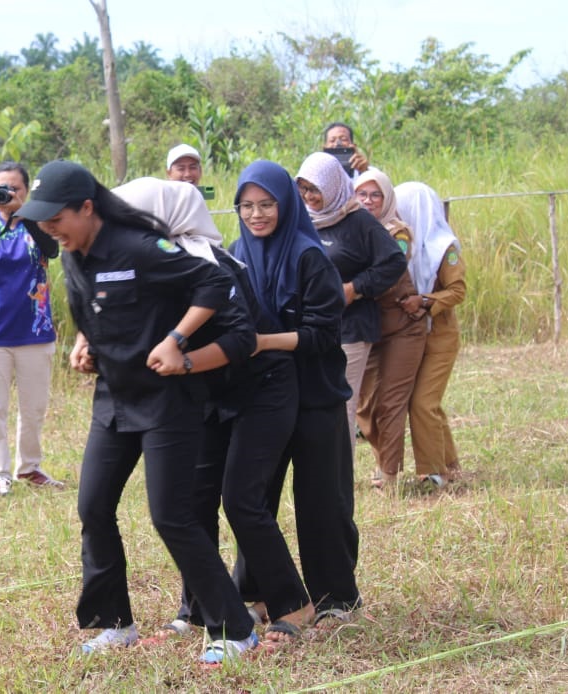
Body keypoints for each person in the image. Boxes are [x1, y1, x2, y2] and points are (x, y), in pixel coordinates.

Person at [15, 161, 260, 664]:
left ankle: (235, 629)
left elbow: (213, 283)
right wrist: (84, 345)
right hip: (114, 398)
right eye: (43, 221)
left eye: (56, 218)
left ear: (87, 208)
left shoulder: (140, 247)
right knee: (93, 506)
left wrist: (176, 340)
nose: (49, 229)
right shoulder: (73, 254)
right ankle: (114, 623)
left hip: (167, 401)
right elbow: (94, 310)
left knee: (171, 516)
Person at [111, 178, 313, 650]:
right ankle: (200, 610)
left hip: (262, 388)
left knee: (241, 498)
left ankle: (292, 603)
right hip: (209, 394)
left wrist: (181, 362)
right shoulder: (152, 263)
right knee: (192, 501)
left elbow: (242, 340)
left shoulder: (206, 262)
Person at [231, 160, 362, 628]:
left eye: (267, 204)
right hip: (265, 396)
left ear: (286, 204)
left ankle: (336, 598)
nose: (256, 215)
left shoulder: (310, 257)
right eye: (247, 206)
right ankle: (259, 593)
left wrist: (265, 342)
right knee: (255, 498)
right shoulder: (237, 253)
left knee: (321, 501)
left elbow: (323, 335)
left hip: (314, 396)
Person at [0, 161, 65, 497]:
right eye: (1, 188)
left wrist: (26, 213)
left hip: (34, 330)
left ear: (26, 191)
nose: (8, 194)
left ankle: (30, 467)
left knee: (33, 407)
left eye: (15, 188)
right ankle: (0, 473)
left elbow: (52, 250)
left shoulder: (40, 224)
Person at [296, 152, 407, 454]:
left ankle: (339, 472)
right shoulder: (302, 220)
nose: (308, 196)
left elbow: (394, 261)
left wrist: (355, 288)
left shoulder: (358, 221)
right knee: (314, 401)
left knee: (341, 403)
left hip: (350, 327)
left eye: (315, 188)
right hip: (311, 326)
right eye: (303, 188)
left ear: (332, 185)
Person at [353, 170, 428, 488]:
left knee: (390, 401)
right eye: (362, 194)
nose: (368, 201)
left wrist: (351, 286)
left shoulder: (398, 233)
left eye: (376, 195)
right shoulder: (350, 228)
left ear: (387, 200)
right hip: (369, 328)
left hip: (403, 328)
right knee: (363, 404)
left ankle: (389, 474)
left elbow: (388, 269)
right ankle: (383, 459)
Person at [395, 182, 468, 485]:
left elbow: (458, 290)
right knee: (424, 402)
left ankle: (434, 472)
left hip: (440, 337)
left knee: (423, 403)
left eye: (402, 208)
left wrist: (425, 301)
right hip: (411, 336)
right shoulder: (401, 241)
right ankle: (449, 463)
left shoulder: (443, 247)